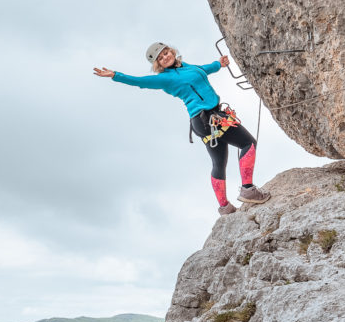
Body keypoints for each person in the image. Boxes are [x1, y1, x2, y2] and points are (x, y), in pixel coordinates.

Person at [93, 42, 269, 215]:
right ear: (158, 65)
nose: (165, 58)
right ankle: (247, 189)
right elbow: (141, 81)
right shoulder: (165, 78)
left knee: (218, 162)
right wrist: (115, 75)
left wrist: (219, 64)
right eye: (160, 58)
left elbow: (203, 69)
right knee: (248, 142)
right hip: (208, 118)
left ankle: (225, 207)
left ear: (172, 51)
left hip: (202, 122)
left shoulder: (187, 67)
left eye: (166, 53)